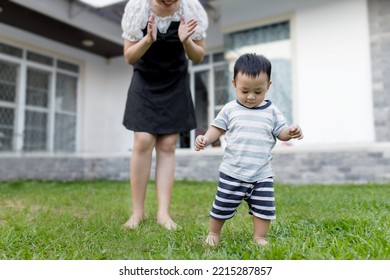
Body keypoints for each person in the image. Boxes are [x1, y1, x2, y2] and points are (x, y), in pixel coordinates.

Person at [195, 53, 303, 246]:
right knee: (222, 205)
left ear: (268, 86)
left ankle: (259, 237)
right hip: (233, 172)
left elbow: (281, 133)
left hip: (261, 174)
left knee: (264, 209)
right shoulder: (230, 109)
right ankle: (214, 233)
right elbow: (216, 129)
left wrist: (290, 131)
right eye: (244, 91)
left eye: (258, 91)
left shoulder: (272, 111)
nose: (251, 96)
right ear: (234, 83)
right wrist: (205, 138)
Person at [121, 0, 208, 230]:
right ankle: (137, 212)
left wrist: (186, 40)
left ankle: (163, 213)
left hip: (174, 81)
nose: (169, 2)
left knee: (168, 144)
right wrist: (148, 40)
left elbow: (198, 56)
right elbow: (129, 57)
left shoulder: (190, 9)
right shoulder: (137, 8)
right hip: (145, 81)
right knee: (142, 141)